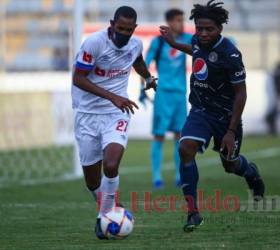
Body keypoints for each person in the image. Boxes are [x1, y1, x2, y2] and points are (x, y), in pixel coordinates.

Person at [160, 0, 265, 232]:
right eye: (199, 28)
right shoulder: (197, 40)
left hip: (227, 117)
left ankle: (252, 174)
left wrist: (230, 131)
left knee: (230, 165)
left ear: (220, 29)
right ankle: (193, 213)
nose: (203, 33)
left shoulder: (230, 53)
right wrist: (175, 43)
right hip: (200, 110)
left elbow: (241, 95)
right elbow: (194, 49)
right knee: (185, 148)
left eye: (209, 29)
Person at [72, 6, 156, 239]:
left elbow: (137, 60)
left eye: (128, 30)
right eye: (120, 28)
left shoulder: (135, 44)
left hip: (116, 113)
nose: (124, 34)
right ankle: (108, 210)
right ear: (112, 24)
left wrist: (147, 78)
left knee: (110, 165)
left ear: (134, 29)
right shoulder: (94, 43)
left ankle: (105, 218)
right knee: (92, 180)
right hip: (87, 114)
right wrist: (113, 96)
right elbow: (78, 78)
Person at [139, 9, 192, 189]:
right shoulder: (158, 42)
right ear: (169, 22)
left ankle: (179, 175)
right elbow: (144, 66)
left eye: (182, 19)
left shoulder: (187, 39)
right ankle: (157, 177)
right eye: (178, 20)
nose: (181, 23)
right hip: (163, 95)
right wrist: (143, 88)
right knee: (159, 135)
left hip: (180, 95)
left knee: (180, 136)